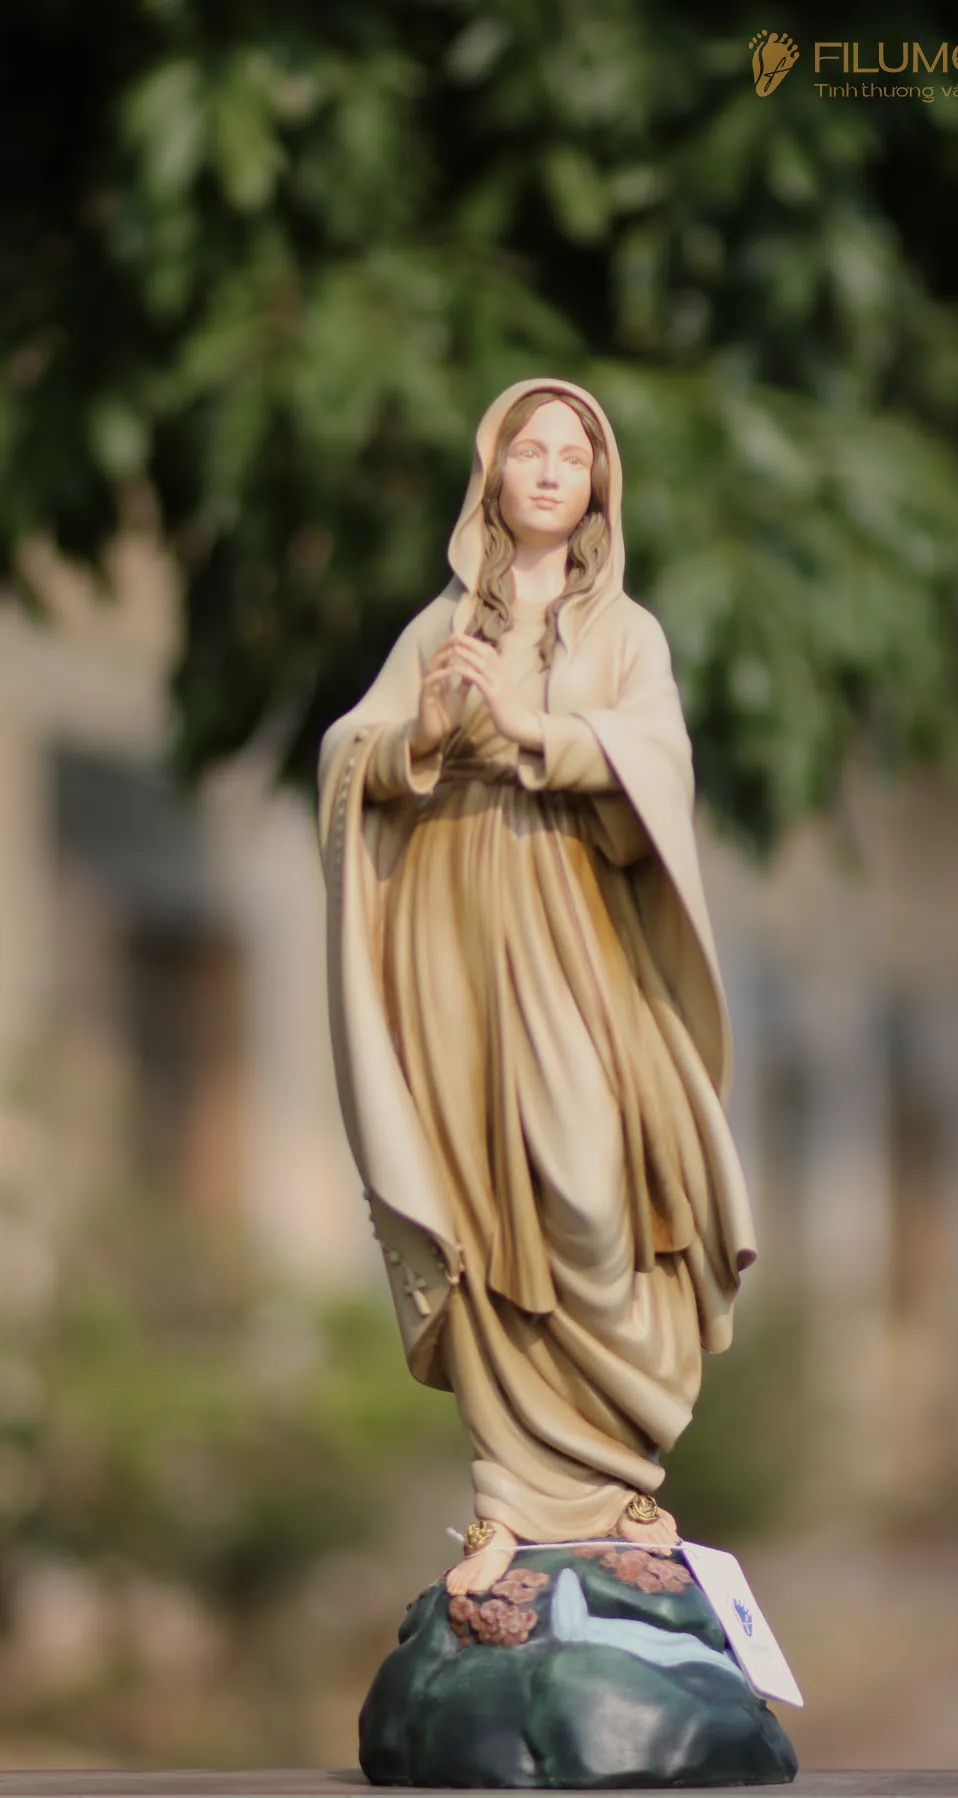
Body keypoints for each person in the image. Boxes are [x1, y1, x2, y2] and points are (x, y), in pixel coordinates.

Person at [318, 377, 756, 1597]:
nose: (552, 469)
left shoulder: (626, 633)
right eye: (530, 450)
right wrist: (420, 732)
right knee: (478, 1199)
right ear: (494, 473)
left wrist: (535, 729)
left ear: (599, 484)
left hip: (572, 927)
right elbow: (349, 752)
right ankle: (509, 1501)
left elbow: (658, 764)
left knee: (588, 1187)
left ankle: (619, 1476)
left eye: (574, 453)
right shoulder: (440, 624)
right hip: (454, 935)